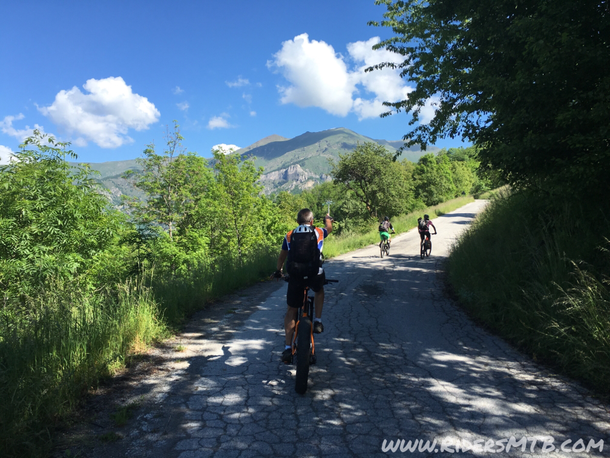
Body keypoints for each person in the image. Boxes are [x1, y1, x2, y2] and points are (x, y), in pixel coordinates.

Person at [274, 208, 333, 364]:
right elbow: (329, 229)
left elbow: (282, 255)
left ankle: (288, 348)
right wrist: (328, 219)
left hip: (296, 276)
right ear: (311, 221)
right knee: (319, 290)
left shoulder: (289, 234)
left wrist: (278, 270)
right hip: (314, 274)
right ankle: (318, 321)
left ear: (297, 222)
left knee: (291, 311)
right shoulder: (319, 232)